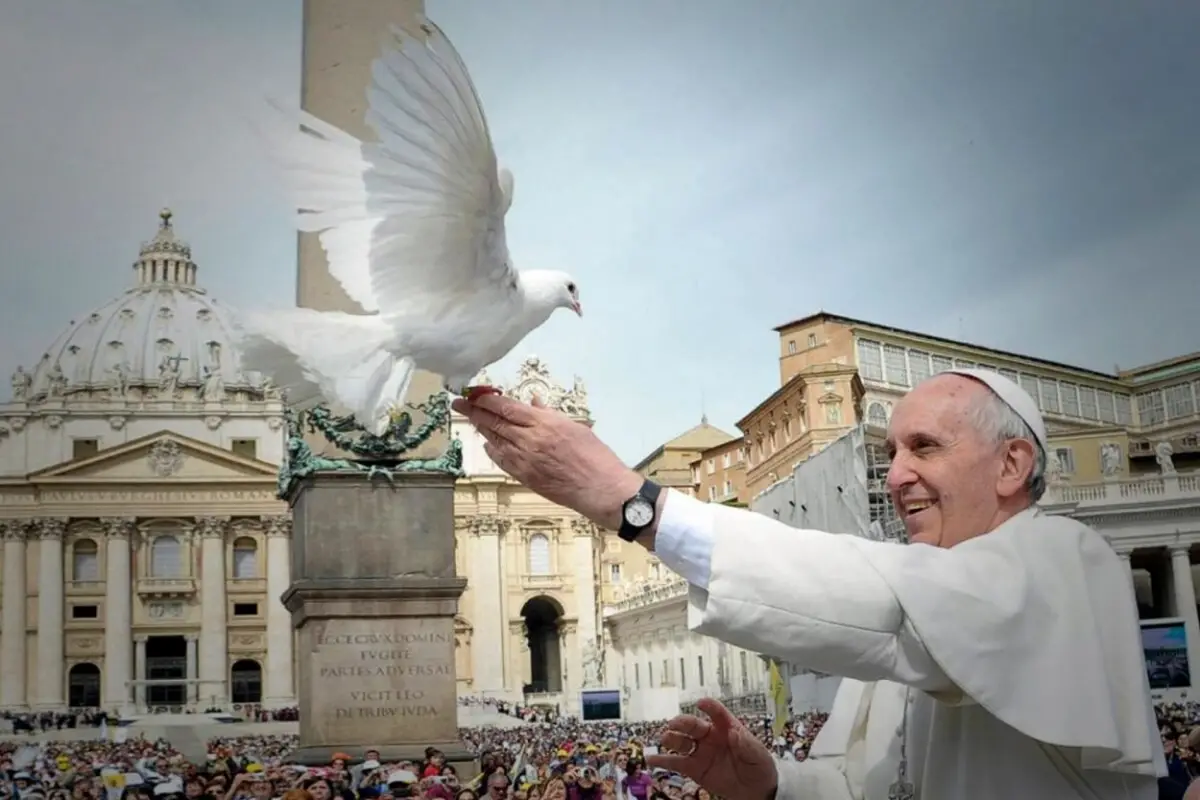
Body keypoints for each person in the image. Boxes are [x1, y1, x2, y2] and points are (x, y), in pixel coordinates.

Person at [453, 369, 1165, 799]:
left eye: (925, 447)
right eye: (890, 453)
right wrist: (771, 784)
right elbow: (862, 787)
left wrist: (631, 503)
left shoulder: (1068, 561)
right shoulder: (919, 613)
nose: (895, 475)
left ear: (1012, 466)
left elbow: (883, 604)